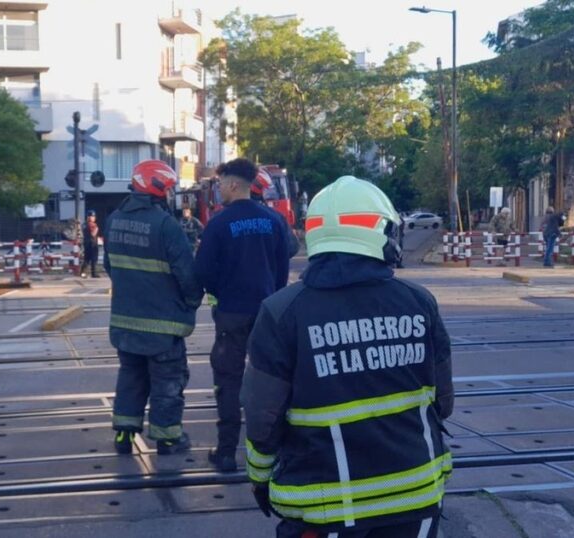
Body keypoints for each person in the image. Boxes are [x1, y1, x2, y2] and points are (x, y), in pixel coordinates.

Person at [242, 176, 453, 538]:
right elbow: (443, 403)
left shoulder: (281, 312)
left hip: (324, 507)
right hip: (415, 497)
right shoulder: (419, 302)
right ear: (382, 232)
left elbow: (263, 421)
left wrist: (260, 479)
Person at [194, 158, 291, 472]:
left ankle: (226, 453)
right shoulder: (275, 220)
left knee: (228, 379)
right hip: (268, 313)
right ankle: (275, 450)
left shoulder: (218, 224)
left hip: (232, 314)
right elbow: (283, 267)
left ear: (233, 184)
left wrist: (221, 292)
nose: (219, 189)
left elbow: (203, 271)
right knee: (271, 379)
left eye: (221, 184)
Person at [104, 159, 204, 455]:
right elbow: (186, 274)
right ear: (158, 188)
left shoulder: (113, 220)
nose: (171, 195)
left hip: (125, 322)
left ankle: (124, 434)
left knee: (131, 377)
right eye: (169, 189)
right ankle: (168, 438)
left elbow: (110, 266)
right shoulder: (165, 225)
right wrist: (192, 301)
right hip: (162, 324)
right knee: (167, 381)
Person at [81, 210, 101, 278]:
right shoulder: (93, 224)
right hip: (93, 244)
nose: (94, 218)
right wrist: (97, 229)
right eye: (93, 216)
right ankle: (94, 273)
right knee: (94, 259)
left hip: (86, 244)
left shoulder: (84, 224)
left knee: (86, 259)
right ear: (92, 217)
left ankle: (83, 273)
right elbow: (93, 234)